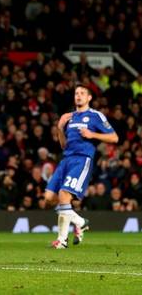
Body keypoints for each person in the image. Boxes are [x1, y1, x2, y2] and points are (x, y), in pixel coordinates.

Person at [45, 84, 118, 249]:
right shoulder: (69, 117)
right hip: (66, 159)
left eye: (82, 93)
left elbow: (114, 138)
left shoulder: (95, 116)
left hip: (82, 159)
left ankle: (63, 240)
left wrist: (92, 134)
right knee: (49, 198)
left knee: (64, 196)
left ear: (89, 98)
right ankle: (80, 222)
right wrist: (59, 128)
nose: (78, 96)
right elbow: (63, 145)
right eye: (76, 93)